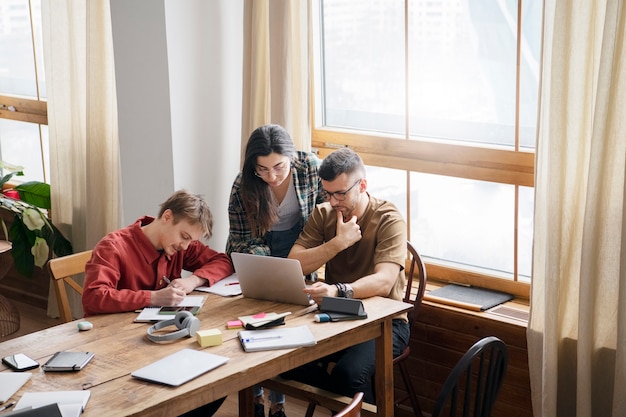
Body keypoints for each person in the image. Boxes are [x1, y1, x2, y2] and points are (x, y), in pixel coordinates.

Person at [82, 189, 233, 417]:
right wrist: (152, 298)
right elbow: (94, 296)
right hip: (113, 350)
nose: (185, 246)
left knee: (216, 383)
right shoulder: (113, 246)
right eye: (184, 237)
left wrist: (192, 280)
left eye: (191, 240)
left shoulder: (180, 246)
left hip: (159, 343)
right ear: (167, 217)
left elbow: (222, 261)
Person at [284, 147, 409, 405]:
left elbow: (385, 282)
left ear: (362, 185)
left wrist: (338, 290)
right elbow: (293, 263)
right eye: (327, 193)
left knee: (348, 375)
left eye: (340, 193)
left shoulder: (388, 218)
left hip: (387, 322)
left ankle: (341, 401)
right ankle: (343, 404)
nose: (332, 201)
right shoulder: (325, 213)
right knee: (282, 360)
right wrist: (337, 243)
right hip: (335, 315)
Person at [226, 124, 325, 417]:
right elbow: (243, 241)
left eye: (279, 167)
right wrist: (272, 268)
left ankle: (278, 404)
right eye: (263, 169)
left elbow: (323, 221)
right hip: (257, 251)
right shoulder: (242, 185)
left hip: (300, 245)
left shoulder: (310, 169)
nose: (272, 176)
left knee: (286, 326)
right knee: (256, 324)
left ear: (291, 157)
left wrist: (302, 261)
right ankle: (255, 399)